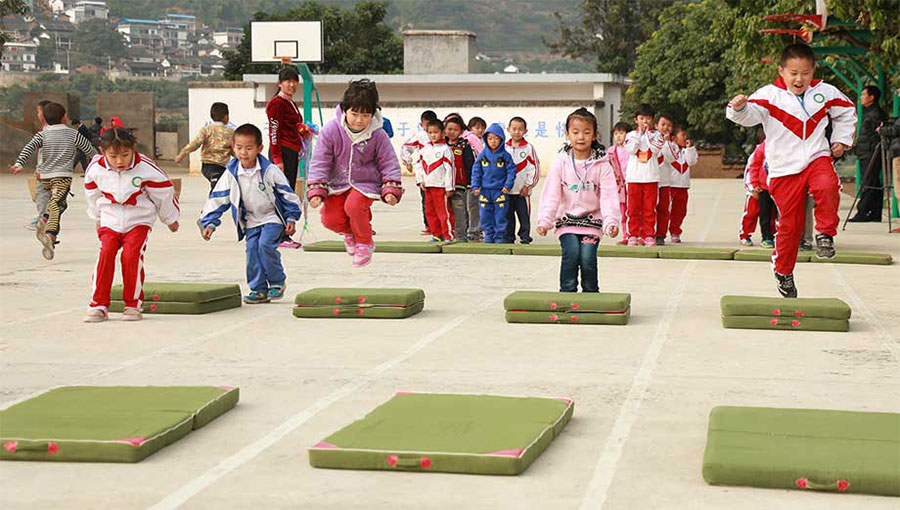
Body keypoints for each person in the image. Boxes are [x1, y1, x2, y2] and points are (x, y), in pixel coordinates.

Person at [727, 43, 856, 297]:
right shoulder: (769, 95)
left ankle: (825, 234)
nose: (800, 79)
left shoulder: (825, 92)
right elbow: (748, 115)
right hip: (784, 167)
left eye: (805, 73)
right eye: (794, 73)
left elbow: (847, 111)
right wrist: (739, 107)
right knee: (790, 224)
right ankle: (783, 272)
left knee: (828, 185)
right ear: (781, 71)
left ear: (813, 71)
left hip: (817, 156)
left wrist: (841, 140)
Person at [83, 128, 180, 322]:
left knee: (131, 256)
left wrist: (170, 219)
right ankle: (98, 305)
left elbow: (163, 192)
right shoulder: (95, 168)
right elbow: (92, 195)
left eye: (125, 155)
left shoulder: (146, 168)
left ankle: (133, 305)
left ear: (133, 149)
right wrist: (97, 218)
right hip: (110, 219)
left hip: (139, 220)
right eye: (113, 156)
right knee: (106, 254)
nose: (120, 161)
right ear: (103, 152)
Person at [199, 124, 302, 304]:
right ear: (233, 147)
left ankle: (277, 282)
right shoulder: (231, 173)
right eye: (239, 148)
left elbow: (287, 194)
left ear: (259, 148)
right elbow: (219, 197)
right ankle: (258, 289)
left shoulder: (269, 170)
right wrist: (210, 222)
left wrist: (291, 217)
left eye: (249, 148)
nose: (243, 153)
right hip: (251, 220)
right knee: (252, 251)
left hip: (272, 218)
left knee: (265, 246)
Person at [307, 79, 403, 267]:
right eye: (354, 114)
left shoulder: (378, 134)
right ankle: (349, 233)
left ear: (373, 114)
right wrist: (317, 189)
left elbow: (389, 162)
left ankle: (365, 242)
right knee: (330, 220)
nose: (359, 120)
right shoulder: (331, 130)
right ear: (344, 110)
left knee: (354, 206)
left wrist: (391, 189)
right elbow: (320, 161)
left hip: (365, 183)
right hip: (338, 183)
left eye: (366, 115)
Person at [536, 107, 621, 292]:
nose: (580, 137)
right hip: (567, 221)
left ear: (594, 135)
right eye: (575, 132)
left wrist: (611, 221)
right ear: (567, 135)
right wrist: (545, 220)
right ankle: (567, 294)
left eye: (586, 132)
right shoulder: (561, 162)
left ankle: (591, 295)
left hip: (592, 222)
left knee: (588, 258)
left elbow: (608, 196)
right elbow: (551, 194)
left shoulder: (602, 164)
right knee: (572, 253)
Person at [10, 102, 96, 260]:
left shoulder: (42, 134)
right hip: (61, 177)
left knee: (57, 204)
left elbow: (28, 148)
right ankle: (50, 233)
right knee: (56, 205)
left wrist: (19, 164)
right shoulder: (73, 134)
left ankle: (45, 219)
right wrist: (103, 162)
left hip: (44, 177)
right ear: (64, 117)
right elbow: (89, 150)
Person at [265, 67, 304, 248]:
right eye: (288, 81)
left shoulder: (290, 103)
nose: (292, 84)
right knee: (281, 194)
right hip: (282, 152)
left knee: (288, 192)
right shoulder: (277, 103)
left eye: (294, 81)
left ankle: (284, 233)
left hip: (291, 151)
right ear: (280, 83)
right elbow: (274, 131)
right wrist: (277, 157)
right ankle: (279, 236)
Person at [624, 103, 664, 246]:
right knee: (633, 209)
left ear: (652, 120)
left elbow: (656, 149)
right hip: (634, 178)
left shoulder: (657, 135)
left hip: (651, 177)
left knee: (649, 209)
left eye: (647, 119)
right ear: (636, 120)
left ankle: (649, 235)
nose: (644, 122)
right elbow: (630, 149)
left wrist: (647, 134)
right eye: (641, 118)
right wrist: (639, 135)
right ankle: (632, 235)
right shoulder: (630, 135)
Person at [471, 123, 516, 244]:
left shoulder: (505, 156)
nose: (493, 141)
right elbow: (476, 171)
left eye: (496, 138)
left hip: (500, 191)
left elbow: (511, 171)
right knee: (485, 216)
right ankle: (489, 237)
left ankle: (500, 237)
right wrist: (475, 186)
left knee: (500, 216)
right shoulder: (482, 156)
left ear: (501, 139)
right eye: (490, 138)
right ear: (486, 139)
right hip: (485, 191)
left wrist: (507, 185)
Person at [175, 102, 235, 191]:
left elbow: (195, 144)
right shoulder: (231, 132)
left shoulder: (206, 130)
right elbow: (234, 150)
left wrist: (182, 154)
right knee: (218, 185)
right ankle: (214, 198)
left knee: (220, 185)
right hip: (221, 167)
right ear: (226, 117)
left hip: (207, 166)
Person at [849, 85, 885, 222]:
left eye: (864, 95)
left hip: (870, 153)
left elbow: (876, 136)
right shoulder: (869, 112)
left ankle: (863, 212)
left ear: (871, 97)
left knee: (868, 182)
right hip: (866, 152)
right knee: (873, 182)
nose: (861, 98)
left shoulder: (875, 114)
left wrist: (870, 150)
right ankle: (875, 212)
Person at [415, 119, 455, 242]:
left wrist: (449, 187)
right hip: (428, 186)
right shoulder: (425, 149)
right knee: (430, 212)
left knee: (443, 212)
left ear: (443, 133)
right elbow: (419, 165)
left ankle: (448, 235)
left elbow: (450, 169)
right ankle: (436, 235)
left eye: (435, 132)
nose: (433, 135)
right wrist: (420, 180)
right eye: (430, 132)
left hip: (441, 187)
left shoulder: (446, 150)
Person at [504, 116, 540, 244]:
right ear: (508, 129)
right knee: (508, 216)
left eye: (520, 129)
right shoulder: (504, 148)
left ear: (525, 131)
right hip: (507, 191)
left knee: (524, 216)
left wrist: (528, 186)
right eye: (514, 129)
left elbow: (534, 168)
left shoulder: (529, 148)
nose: (517, 132)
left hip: (522, 192)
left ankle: (525, 236)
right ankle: (509, 237)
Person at [402, 110, 438, 235]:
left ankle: (443, 225)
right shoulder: (420, 136)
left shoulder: (441, 135)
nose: (429, 129)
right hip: (425, 173)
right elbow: (406, 147)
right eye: (426, 125)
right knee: (426, 200)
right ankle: (429, 225)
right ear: (421, 125)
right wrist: (408, 161)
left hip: (439, 173)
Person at [444, 116, 477, 242]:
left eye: (455, 129)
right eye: (449, 129)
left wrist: (470, 183)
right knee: (443, 211)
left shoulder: (464, 146)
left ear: (461, 131)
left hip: (459, 185)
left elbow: (470, 165)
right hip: (442, 185)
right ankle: (444, 235)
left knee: (459, 212)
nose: (452, 132)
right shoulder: (440, 145)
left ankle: (461, 236)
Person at [666, 126, 698, 243]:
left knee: (680, 211)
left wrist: (689, 148)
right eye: (682, 135)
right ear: (674, 138)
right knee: (665, 210)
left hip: (683, 186)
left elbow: (692, 161)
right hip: (670, 185)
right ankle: (660, 231)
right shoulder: (669, 149)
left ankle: (675, 231)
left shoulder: (687, 151)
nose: (685, 137)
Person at [745, 140, 777, 249]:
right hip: (763, 188)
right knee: (765, 215)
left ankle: (779, 236)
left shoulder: (784, 145)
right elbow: (754, 166)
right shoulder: (762, 148)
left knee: (779, 215)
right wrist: (754, 184)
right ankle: (767, 237)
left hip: (779, 187)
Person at [654, 113, 676, 245]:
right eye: (662, 124)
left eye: (669, 125)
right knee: (649, 209)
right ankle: (647, 233)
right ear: (656, 126)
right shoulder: (649, 140)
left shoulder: (672, 144)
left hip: (664, 182)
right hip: (650, 180)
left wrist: (666, 143)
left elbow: (672, 158)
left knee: (663, 209)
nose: (665, 128)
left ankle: (660, 235)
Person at [610, 122, 631, 245]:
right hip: (619, 187)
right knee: (623, 212)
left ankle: (637, 235)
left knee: (634, 211)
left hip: (632, 183)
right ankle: (626, 235)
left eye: (622, 133)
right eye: (616, 133)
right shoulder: (610, 152)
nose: (618, 136)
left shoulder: (632, 150)